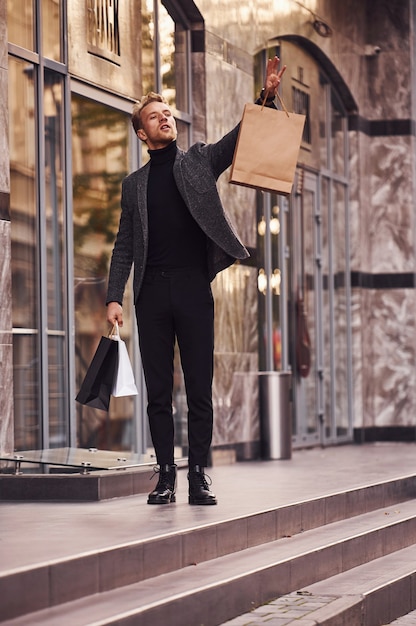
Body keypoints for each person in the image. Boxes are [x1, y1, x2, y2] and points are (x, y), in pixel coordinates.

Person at [106, 57, 286, 505]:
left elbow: (236, 140)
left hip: (191, 288)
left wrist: (265, 96)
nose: (165, 116)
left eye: (167, 111)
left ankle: (198, 474)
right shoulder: (134, 186)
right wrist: (114, 297)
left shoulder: (198, 161)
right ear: (142, 134)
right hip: (150, 294)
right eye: (154, 115)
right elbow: (123, 245)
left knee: (199, 387)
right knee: (159, 393)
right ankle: (166, 475)